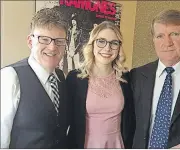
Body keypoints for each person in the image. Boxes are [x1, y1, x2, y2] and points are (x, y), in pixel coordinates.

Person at [1, 7, 70, 148]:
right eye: (44, 39)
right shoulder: (10, 77)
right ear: (30, 41)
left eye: (59, 41)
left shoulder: (61, 78)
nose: (52, 47)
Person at [60, 21, 135, 148]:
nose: (107, 48)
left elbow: (131, 119)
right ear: (92, 44)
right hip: (85, 144)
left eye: (114, 43)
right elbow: (64, 121)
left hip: (116, 144)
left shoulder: (126, 78)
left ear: (119, 47)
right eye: (101, 41)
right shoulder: (75, 78)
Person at [130, 9, 180, 149]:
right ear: (153, 39)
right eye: (160, 36)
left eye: (174, 34)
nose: (167, 43)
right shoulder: (137, 75)